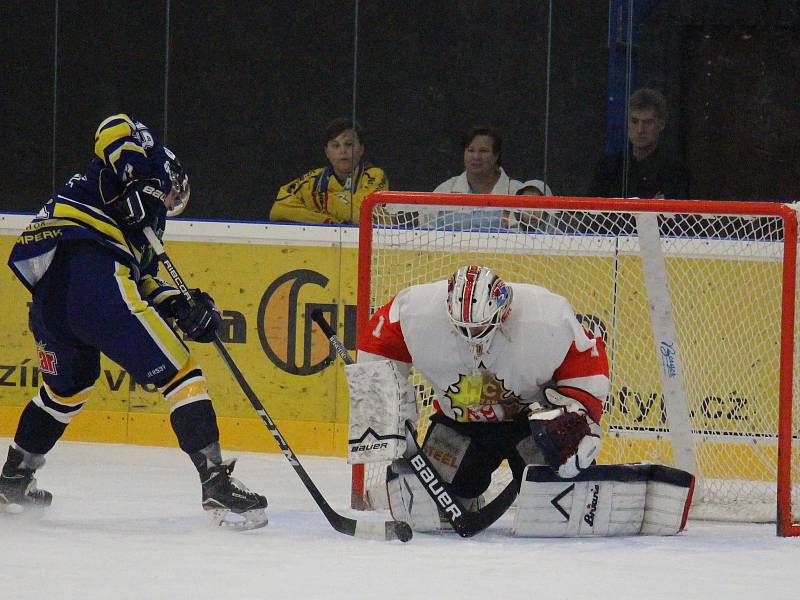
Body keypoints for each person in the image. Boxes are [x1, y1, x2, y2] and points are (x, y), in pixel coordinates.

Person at [1, 114, 268, 530]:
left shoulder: (142, 225)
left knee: (66, 392)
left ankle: (13, 479)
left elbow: (141, 283)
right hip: (94, 275)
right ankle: (216, 482)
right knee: (180, 374)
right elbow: (113, 126)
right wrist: (133, 182)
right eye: (172, 196)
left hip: (54, 297)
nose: (169, 204)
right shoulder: (148, 163)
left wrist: (182, 306)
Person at [355, 264, 610, 531]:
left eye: (479, 327)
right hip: (460, 424)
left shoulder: (546, 315)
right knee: (428, 512)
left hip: (530, 424)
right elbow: (377, 352)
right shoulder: (415, 310)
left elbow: (586, 360)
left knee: (554, 506)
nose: (471, 336)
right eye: (463, 327)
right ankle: (466, 491)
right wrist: (386, 413)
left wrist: (580, 417)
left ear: (504, 310)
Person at [270, 118, 388, 224]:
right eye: (335, 145)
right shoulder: (312, 180)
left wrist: (322, 200)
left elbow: (364, 214)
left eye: (349, 144)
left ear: (361, 149)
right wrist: (327, 221)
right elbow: (278, 210)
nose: (343, 151)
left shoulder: (375, 175)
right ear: (326, 152)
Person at [587, 88, 690, 200]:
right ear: (627, 123)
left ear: (661, 125)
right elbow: (588, 213)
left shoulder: (674, 172)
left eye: (648, 122)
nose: (640, 130)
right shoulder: (609, 168)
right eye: (634, 121)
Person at [430, 126, 523, 230]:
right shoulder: (444, 190)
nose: (476, 157)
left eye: (483, 151)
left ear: (496, 155)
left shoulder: (517, 191)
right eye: (470, 150)